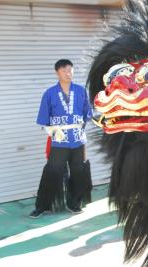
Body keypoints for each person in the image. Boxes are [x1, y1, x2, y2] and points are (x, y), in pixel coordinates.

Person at [30, 59, 93, 218]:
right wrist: (52, 131)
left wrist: (80, 130)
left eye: (71, 70)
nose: (69, 73)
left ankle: (74, 203)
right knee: (53, 171)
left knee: (78, 171)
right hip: (59, 140)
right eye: (65, 70)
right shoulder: (49, 93)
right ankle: (43, 206)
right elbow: (43, 120)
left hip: (78, 140)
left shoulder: (80, 91)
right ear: (57, 72)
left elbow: (87, 114)